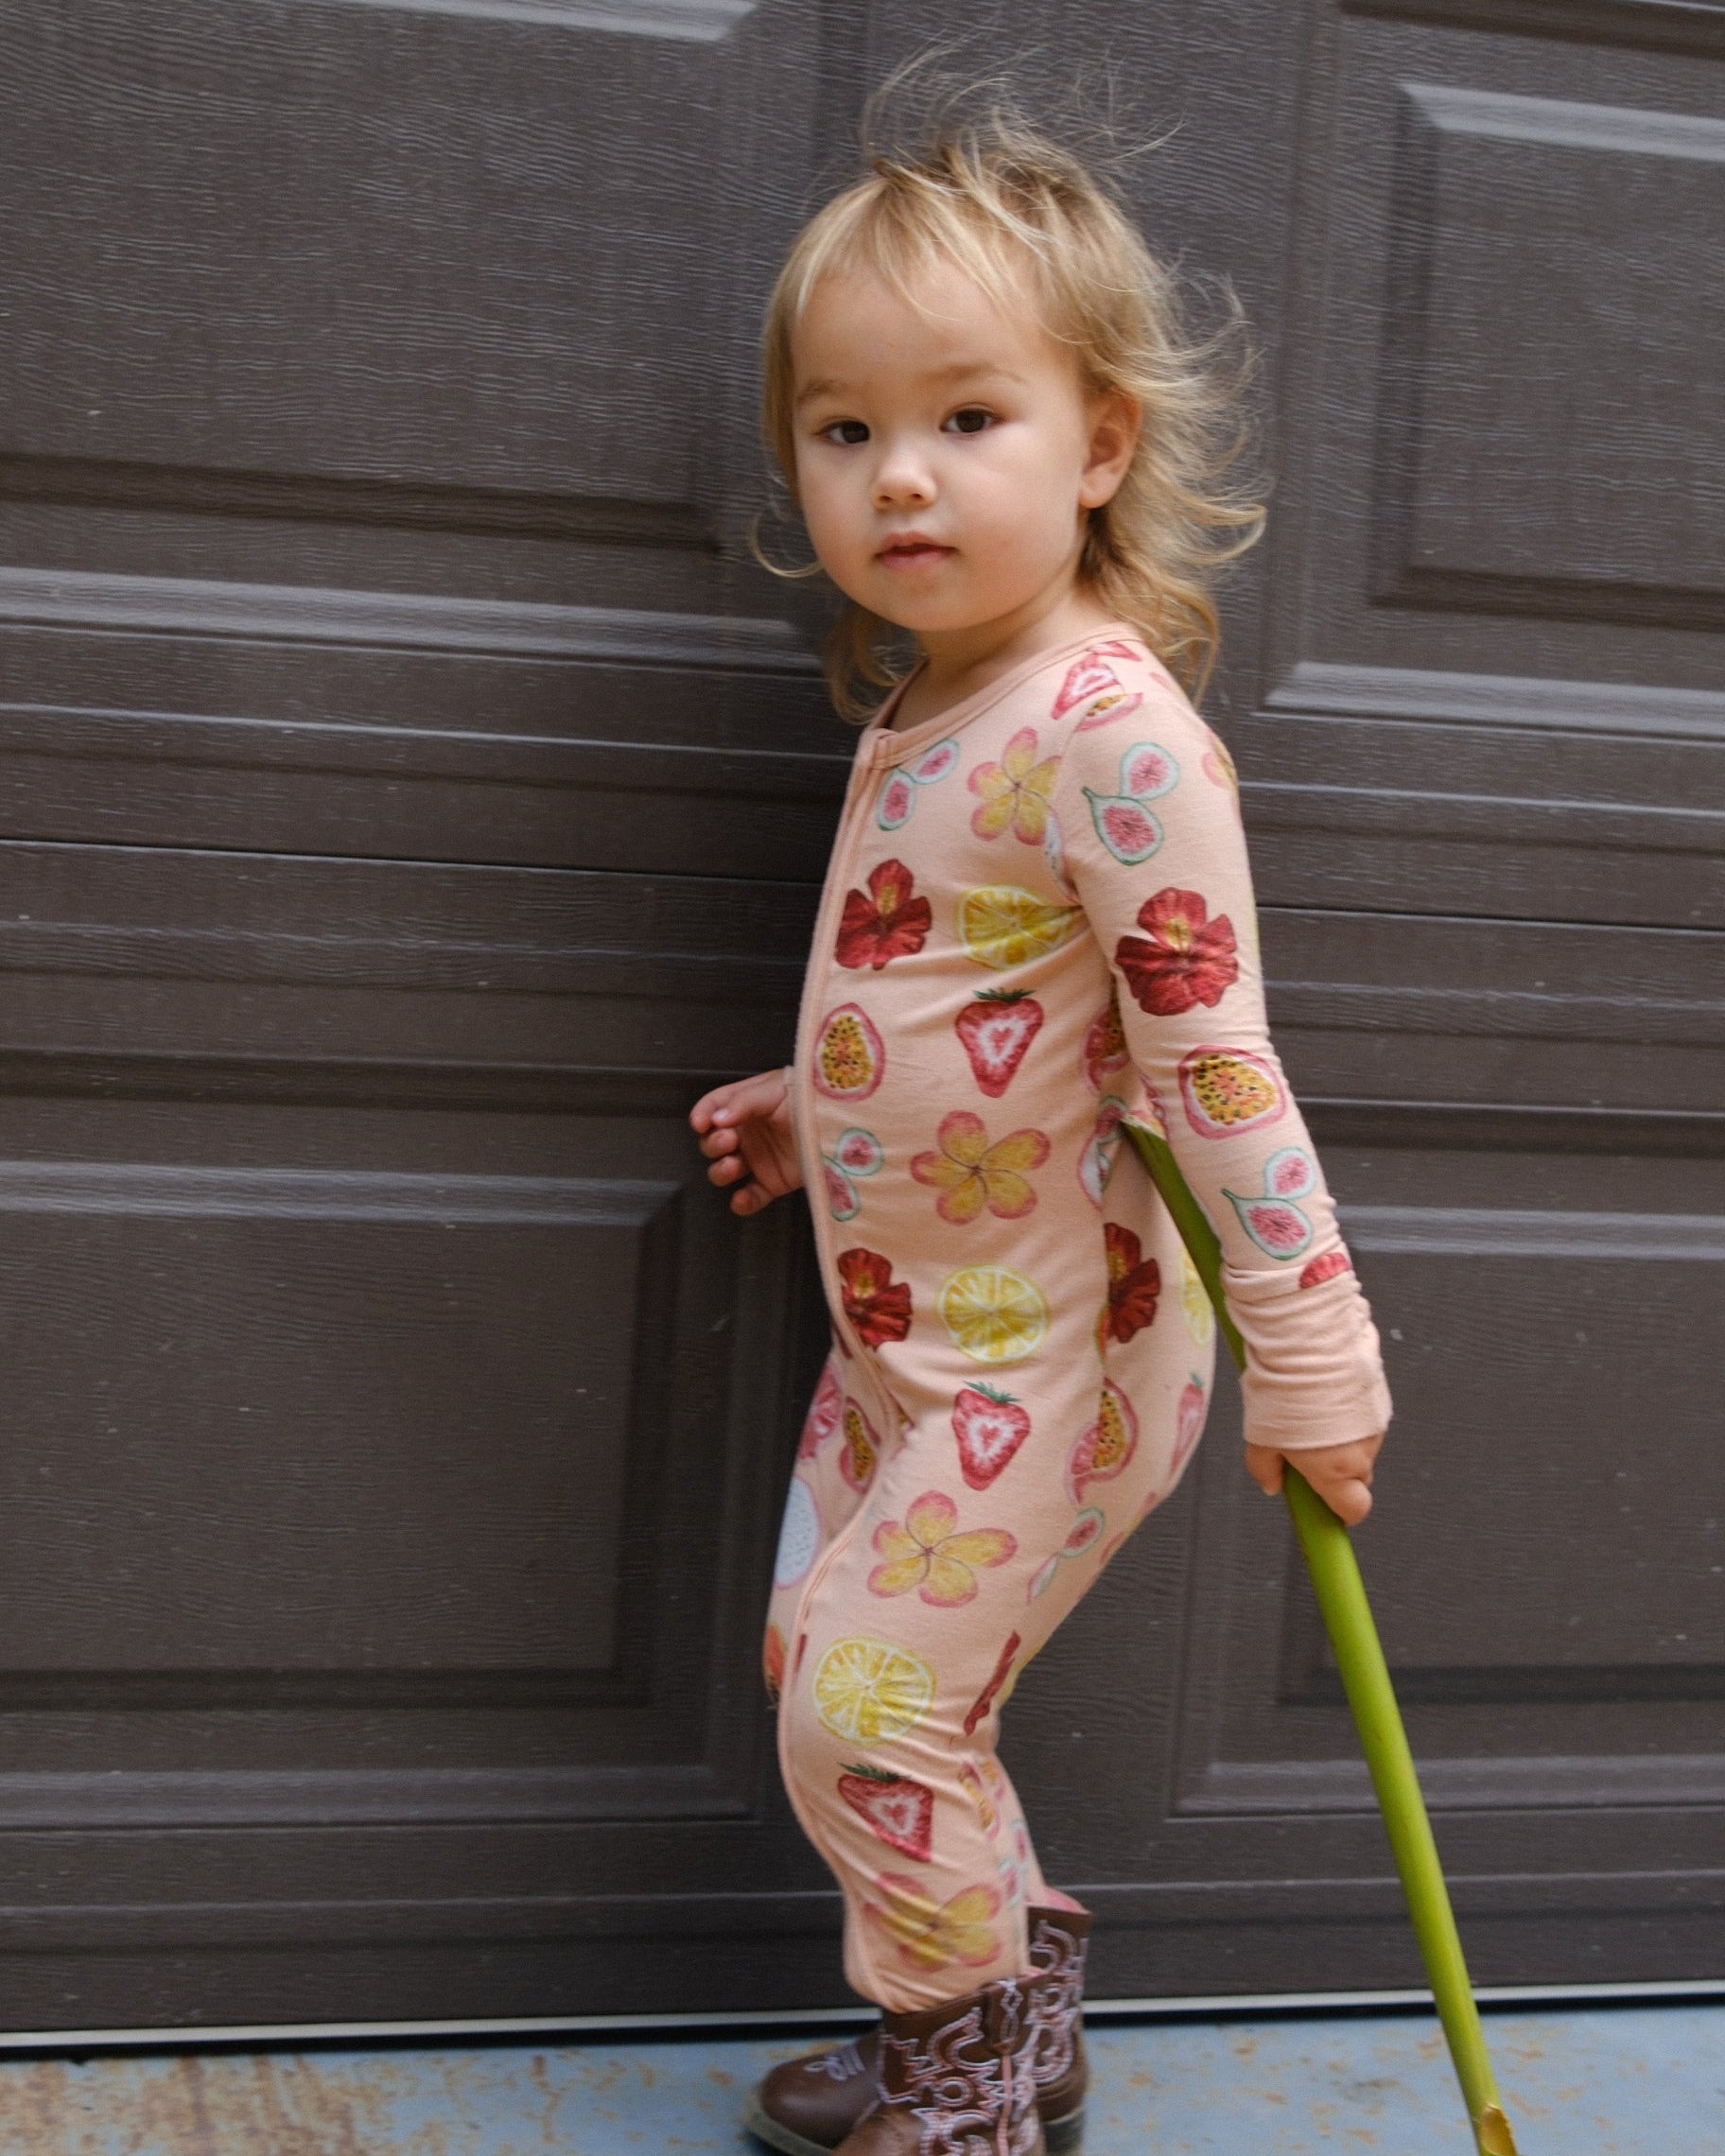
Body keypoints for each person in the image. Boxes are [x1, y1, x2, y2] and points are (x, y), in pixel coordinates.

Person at [688, 96, 1391, 2156]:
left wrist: (1316, 1355)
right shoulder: (925, 701)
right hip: (910, 1339)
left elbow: (1210, 1071)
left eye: (968, 417)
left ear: (1096, 446)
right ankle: (999, 1996)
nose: (899, 472)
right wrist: (815, 1112)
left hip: (1057, 1359)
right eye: (844, 429)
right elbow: (968, 1005)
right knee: (829, 1661)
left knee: (872, 1710)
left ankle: (971, 2071)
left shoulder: (1115, 739)